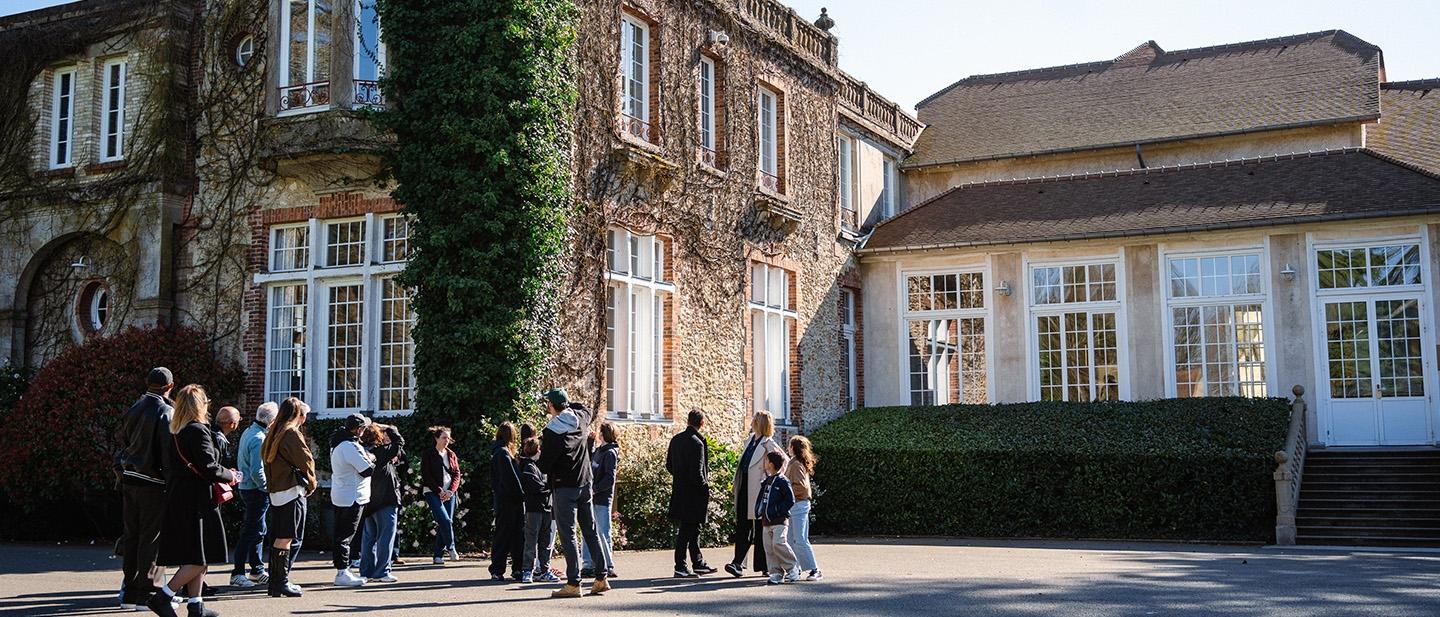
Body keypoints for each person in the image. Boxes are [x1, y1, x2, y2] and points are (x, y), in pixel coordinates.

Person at [148, 384, 239, 617]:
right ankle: (163, 596)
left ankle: (195, 605)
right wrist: (231, 475)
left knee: (197, 555)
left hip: (180, 496)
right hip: (196, 500)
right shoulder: (198, 431)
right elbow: (209, 467)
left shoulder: (176, 430)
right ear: (200, 405)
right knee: (199, 557)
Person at [536, 388, 610, 598]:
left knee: (568, 534)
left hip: (564, 486)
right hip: (585, 482)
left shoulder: (551, 432)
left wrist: (540, 456)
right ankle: (601, 577)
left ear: (551, 405)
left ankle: (573, 583)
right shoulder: (581, 418)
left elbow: (544, 465)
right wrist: (568, 405)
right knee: (589, 530)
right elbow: (584, 407)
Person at [116, 367, 175, 609]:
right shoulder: (166, 411)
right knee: (153, 540)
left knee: (132, 536)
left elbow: (123, 441)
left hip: (130, 478)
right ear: (170, 387)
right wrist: (172, 483)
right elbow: (167, 453)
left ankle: (129, 592)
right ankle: (148, 592)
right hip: (154, 482)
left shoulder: (135, 407)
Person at [261, 397, 316, 598]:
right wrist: (312, 483)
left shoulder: (273, 431)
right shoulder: (291, 433)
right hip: (291, 490)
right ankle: (281, 582)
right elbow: (305, 460)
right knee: (286, 538)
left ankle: (276, 583)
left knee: (280, 537)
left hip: (277, 490)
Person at [726, 411, 784, 578]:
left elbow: (783, 463)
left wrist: (768, 479)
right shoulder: (750, 440)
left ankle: (764, 565)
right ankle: (738, 563)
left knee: (761, 529)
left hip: (759, 490)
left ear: (759, 423)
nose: (751, 422)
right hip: (745, 487)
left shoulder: (768, 443)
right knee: (743, 527)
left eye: (754, 420)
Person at [229, 402, 277, 589]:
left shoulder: (249, 431)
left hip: (248, 487)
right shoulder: (259, 438)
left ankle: (256, 569)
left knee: (258, 529)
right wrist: (266, 488)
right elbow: (257, 471)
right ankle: (238, 573)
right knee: (251, 531)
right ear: (271, 420)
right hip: (255, 490)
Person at [667, 409, 717, 578]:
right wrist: (705, 488)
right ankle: (680, 565)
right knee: (687, 530)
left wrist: (680, 476)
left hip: (679, 490)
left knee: (693, 529)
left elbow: (669, 465)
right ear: (702, 423)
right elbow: (697, 473)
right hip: (693, 493)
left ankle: (698, 562)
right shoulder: (697, 443)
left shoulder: (676, 440)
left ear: (688, 421)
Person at [329, 413, 375, 587]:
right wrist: (372, 458)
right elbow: (367, 470)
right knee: (345, 536)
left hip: (343, 494)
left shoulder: (338, 443)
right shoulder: (350, 446)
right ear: (359, 429)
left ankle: (343, 570)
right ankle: (342, 572)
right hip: (352, 496)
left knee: (343, 535)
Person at [359, 422, 405, 583]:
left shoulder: (362, 452)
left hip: (369, 501)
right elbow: (399, 442)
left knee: (368, 539)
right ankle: (382, 572)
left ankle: (366, 571)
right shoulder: (382, 452)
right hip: (385, 500)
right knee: (386, 537)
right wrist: (389, 428)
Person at [489, 422, 525, 581]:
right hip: (510, 501)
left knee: (507, 534)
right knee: (511, 535)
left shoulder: (498, 452)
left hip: (504, 500)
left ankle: (506, 568)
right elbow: (511, 480)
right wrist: (522, 495)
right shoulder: (503, 454)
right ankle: (503, 568)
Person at [421, 426, 462, 565]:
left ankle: (438, 555)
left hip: (449, 493)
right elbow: (426, 475)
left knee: (445, 522)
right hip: (432, 491)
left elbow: (456, 474)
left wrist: (451, 491)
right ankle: (451, 547)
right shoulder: (428, 454)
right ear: (436, 438)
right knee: (445, 520)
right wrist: (439, 491)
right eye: (444, 438)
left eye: (448, 438)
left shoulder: (451, 454)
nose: (447, 441)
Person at [518, 436, 557, 584]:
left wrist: (547, 487)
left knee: (544, 541)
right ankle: (528, 570)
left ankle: (544, 570)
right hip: (534, 508)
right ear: (538, 450)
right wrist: (549, 488)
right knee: (531, 540)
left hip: (545, 508)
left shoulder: (537, 466)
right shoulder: (529, 467)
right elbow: (536, 487)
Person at [583, 422, 619, 578]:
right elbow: (589, 460)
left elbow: (610, 478)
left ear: (603, 434)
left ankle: (608, 564)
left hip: (602, 498)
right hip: (592, 496)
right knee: (588, 531)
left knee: (603, 532)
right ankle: (588, 564)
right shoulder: (599, 450)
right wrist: (590, 443)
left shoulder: (610, 453)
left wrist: (595, 489)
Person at [755, 451, 797, 586]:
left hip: (779, 520)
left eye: (766, 461)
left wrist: (778, 511)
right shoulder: (767, 481)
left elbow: (790, 500)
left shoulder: (782, 481)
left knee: (778, 543)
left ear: (771, 464)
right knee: (769, 548)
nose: (765, 463)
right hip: (766, 521)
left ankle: (792, 567)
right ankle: (776, 573)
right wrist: (759, 511)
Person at [784, 435, 822, 581]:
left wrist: (786, 493)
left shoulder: (795, 464)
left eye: (789, 445)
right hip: (796, 504)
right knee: (791, 539)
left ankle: (814, 569)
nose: (788, 448)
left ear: (793, 448)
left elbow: (802, 487)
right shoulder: (796, 463)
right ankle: (795, 569)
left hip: (798, 504)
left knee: (799, 539)